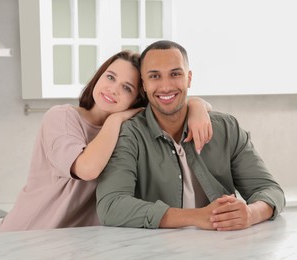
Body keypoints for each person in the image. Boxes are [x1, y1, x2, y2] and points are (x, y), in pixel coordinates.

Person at [0, 50, 212, 231]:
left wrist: (197, 106)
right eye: (110, 77)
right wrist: (116, 119)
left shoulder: (131, 132)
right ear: (99, 76)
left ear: (137, 98)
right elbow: (87, 169)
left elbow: (171, 107)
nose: (113, 89)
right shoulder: (62, 117)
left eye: (127, 88)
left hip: (75, 243)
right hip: (29, 235)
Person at [96, 40, 285, 231]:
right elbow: (111, 206)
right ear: (144, 85)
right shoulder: (130, 135)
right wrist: (196, 217)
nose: (166, 86)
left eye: (175, 74)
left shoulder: (227, 128)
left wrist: (252, 213)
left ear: (189, 78)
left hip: (223, 247)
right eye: (155, 76)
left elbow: (270, 190)